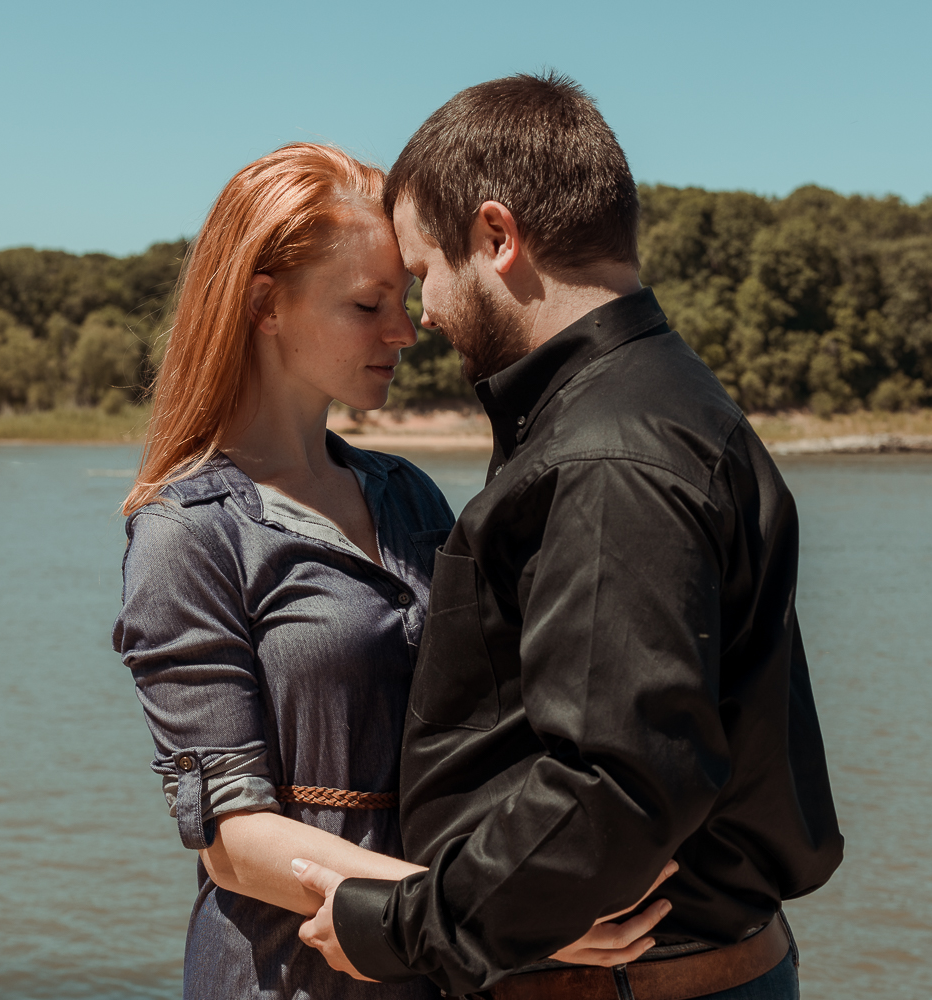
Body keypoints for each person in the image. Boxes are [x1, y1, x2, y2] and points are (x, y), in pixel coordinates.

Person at [293, 75, 844, 1000]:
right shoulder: (659, 405)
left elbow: (618, 783)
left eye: (427, 272)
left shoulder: (605, 457)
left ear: (498, 238)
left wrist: (402, 928)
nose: (422, 317)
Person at [112, 143, 669, 1000]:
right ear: (265, 303)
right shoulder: (188, 531)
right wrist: (498, 916)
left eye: (404, 299)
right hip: (289, 974)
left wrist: (533, 890)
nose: (405, 331)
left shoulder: (409, 496)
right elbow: (233, 842)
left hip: (444, 967)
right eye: (369, 304)